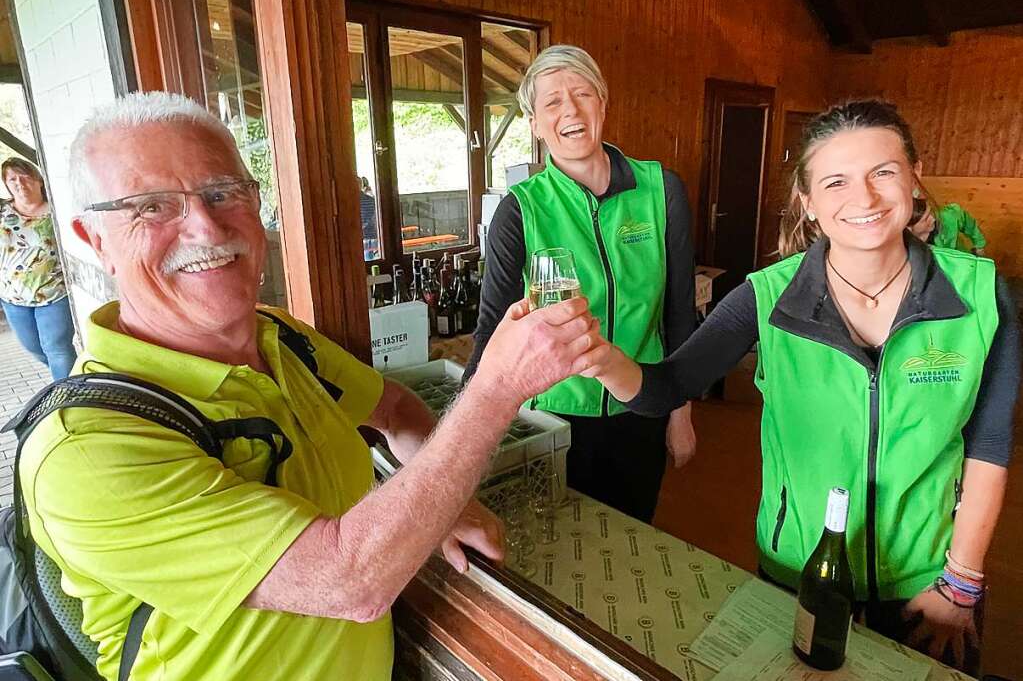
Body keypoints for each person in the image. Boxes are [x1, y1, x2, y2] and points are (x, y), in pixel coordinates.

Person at [18, 91, 603, 681]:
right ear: (93, 239)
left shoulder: (282, 337)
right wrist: (497, 388)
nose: (204, 226)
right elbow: (350, 579)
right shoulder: (85, 450)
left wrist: (451, 506)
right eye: (150, 207)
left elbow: (396, 409)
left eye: (222, 193)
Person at [583, 100, 1019, 671]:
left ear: (915, 180)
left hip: (928, 582)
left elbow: (988, 445)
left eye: (883, 172)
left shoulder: (981, 296)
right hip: (797, 569)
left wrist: (960, 584)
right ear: (808, 204)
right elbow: (667, 386)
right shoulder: (768, 297)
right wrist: (597, 357)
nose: (862, 198)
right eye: (835, 181)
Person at [465, 45, 698, 523]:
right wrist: (466, 445)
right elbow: (491, 331)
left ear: (603, 105)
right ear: (534, 123)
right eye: (551, 102)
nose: (569, 109)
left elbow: (679, 312)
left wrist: (681, 412)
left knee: (634, 536)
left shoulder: (661, 190)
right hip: (552, 416)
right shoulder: (520, 210)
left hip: (642, 405)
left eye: (582, 94)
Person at [0, 156, 77, 379]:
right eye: (12, 179)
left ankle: (70, 398)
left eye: (25, 177)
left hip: (53, 294)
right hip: (13, 298)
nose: (20, 183)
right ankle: (72, 376)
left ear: (39, 181)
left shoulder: (56, 211)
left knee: (58, 349)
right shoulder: (3, 213)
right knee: (35, 349)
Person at [910, 199, 987, 255]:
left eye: (931, 212)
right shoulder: (905, 249)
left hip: (961, 262)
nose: (933, 218)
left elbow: (967, 221)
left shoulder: (947, 217)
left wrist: (979, 244)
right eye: (926, 219)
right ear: (909, 228)